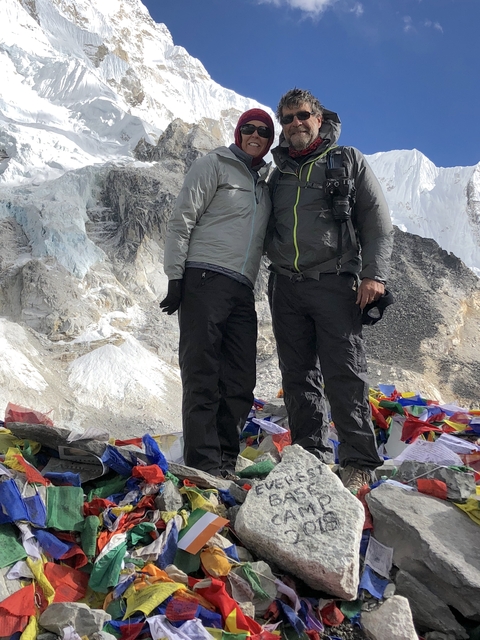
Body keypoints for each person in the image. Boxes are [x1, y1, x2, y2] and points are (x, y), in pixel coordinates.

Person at [265, 88, 394, 492]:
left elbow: (376, 220)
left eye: (302, 115)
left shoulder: (347, 160)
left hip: (335, 283)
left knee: (344, 372)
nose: (295, 124)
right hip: (285, 285)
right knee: (297, 374)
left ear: (319, 119)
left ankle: (359, 461)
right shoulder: (278, 172)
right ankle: (310, 456)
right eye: (287, 119)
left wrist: (375, 275)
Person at [160, 109, 274, 477]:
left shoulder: (264, 184)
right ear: (238, 132)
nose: (255, 134)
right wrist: (176, 277)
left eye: (264, 131)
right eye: (249, 128)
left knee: (240, 379)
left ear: (270, 141)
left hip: (242, 288)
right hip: (204, 278)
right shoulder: (214, 164)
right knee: (203, 374)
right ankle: (204, 465)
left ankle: (225, 461)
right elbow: (182, 218)